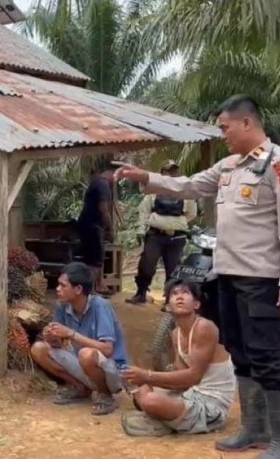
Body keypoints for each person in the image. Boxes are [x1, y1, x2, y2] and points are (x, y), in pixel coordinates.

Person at [115, 94, 280, 457]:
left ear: (247, 123)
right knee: (242, 355)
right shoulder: (228, 167)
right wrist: (147, 177)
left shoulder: (275, 163)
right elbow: (188, 185)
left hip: (263, 279)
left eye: (225, 127)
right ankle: (253, 430)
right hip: (228, 277)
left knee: (269, 358)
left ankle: (278, 439)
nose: (222, 134)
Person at [120, 279, 236, 437]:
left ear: (196, 304)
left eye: (185, 293)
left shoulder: (204, 327)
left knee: (150, 401)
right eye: (174, 294)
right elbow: (180, 382)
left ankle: (160, 421)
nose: (180, 297)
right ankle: (164, 419)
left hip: (210, 403)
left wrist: (147, 376)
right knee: (142, 389)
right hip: (189, 393)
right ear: (168, 306)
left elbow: (192, 377)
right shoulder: (176, 334)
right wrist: (140, 380)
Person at [31, 262, 129, 415]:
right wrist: (51, 337)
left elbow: (107, 349)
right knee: (39, 349)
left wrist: (71, 334)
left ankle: (105, 395)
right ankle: (79, 388)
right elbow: (58, 344)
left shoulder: (100, 306)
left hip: (112, 371)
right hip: (84, 364)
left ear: (78, 289)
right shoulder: (62, 306)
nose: (57, 289)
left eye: (63, 286)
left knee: (86, 354)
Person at [126, 160, 198, 305]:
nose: (171, 174)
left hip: (176, 236)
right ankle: (141, 293)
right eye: (168, 171)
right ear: (162, 174)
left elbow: (192, 213)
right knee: (146, 264)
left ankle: (169, 300)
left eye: (173, 171)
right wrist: (143, 228)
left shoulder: (185, 193)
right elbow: (144, 212)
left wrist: (176, 223)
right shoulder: (153, 192)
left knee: (173, 269)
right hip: (155, 235)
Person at [77, 168, 115, 295]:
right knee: (95, 260)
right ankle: (90, 291)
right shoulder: (103, 185)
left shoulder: (95, 184)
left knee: (92, 258)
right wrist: (110, 229)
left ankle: (97, 286)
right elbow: (103, 209)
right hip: (94, 226)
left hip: (86, 225)